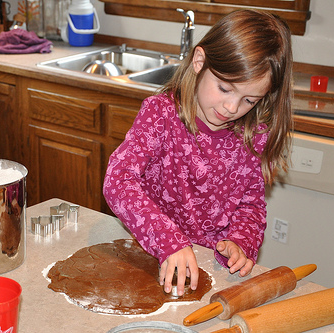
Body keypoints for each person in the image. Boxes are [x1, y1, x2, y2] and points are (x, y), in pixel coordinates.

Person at [103, 9, 293, 296]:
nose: (232, 107)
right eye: (225, 88)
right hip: (154, 256)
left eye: (249, 100)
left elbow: (250, 205)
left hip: (209, 270)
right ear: (199, 62)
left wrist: (241, 242)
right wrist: (169, 241)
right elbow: (118, 180)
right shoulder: (161, 115)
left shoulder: (252, 137)